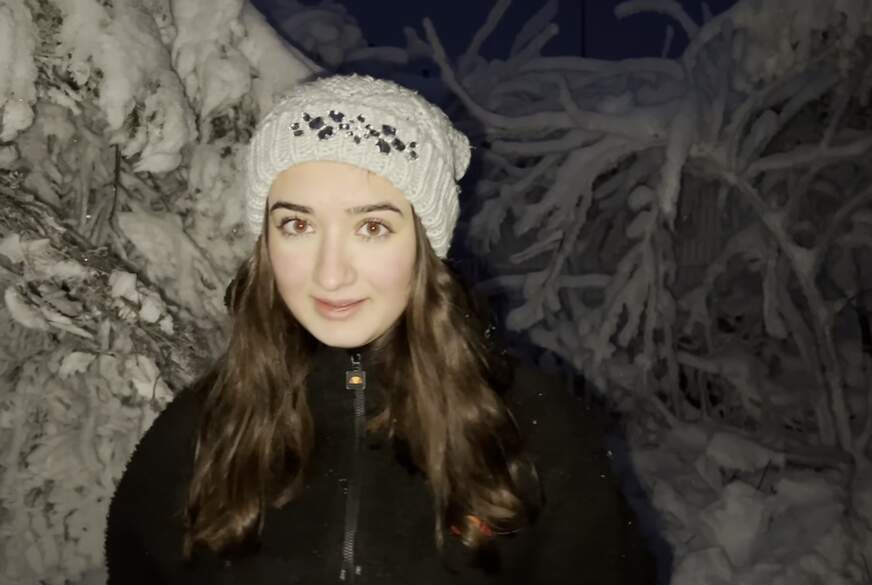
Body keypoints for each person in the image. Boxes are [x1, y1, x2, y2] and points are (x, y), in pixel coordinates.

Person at [104, 74, 657, 584]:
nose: (330, 273)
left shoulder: (535, 427)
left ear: (424, 244)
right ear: (266, 243)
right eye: (297, 224)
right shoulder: (198, 434)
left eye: (371, 227)